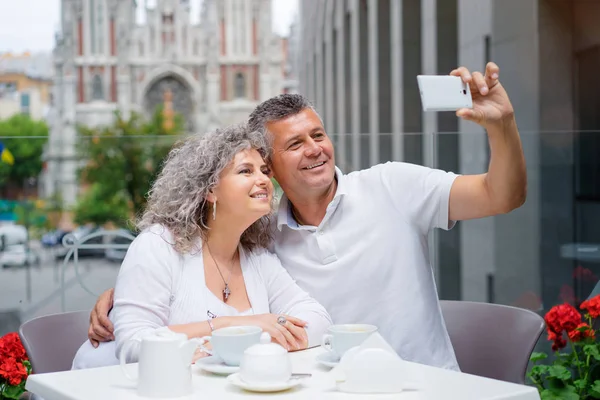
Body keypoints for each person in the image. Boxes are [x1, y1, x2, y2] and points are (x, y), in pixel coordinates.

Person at [87, 63, 526, 371]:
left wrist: (502, 126)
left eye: (318, 135)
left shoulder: (393, 185)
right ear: (270, 164)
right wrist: (126, 293)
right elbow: (191, 270)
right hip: (327, 388)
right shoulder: (262, 237)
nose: (315, 149)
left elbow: (501, 195)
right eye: (294, 145)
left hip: (423, 383)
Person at [72, 124, 332, 369]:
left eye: (264, 171)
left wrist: (252, 344)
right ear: (210, 190)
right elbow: (134, 345)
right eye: (245, 171)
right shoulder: (159, 245)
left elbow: (318, 321)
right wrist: (236, 326)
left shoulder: (258, 259)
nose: (264, 179)